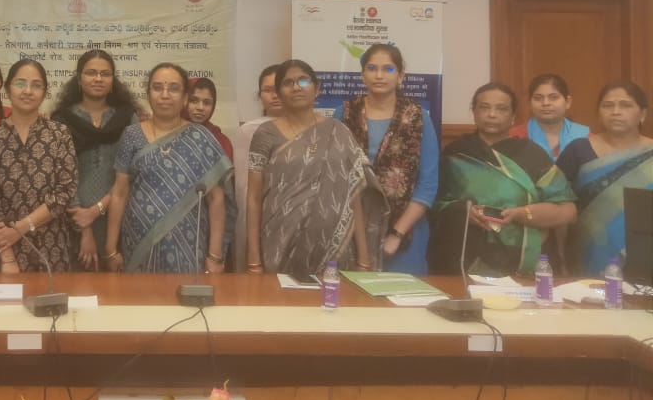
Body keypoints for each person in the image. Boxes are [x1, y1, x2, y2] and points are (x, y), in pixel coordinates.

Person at [246, 60, 384, 277]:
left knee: (332, 299)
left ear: (317, 89)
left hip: (335, 251)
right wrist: (254, 261)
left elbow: (354, 194)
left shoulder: (339, 132)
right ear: (279, 93)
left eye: (303, 80)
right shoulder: (265, 134)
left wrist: (363, 259)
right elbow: (253, 197)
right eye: (288, 83)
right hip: (278, 246)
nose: (296, 87)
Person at [431, 82, 577, 276]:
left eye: (501, 109)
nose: (492, 114)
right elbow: (435, 204)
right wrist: (463, 211)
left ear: (513, 116)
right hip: (464, 259)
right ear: (474, 112)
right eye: (484, 108)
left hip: (523, 263)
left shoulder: (532, 155)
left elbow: (568, 211)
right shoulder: (455, 154)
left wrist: (522, 214)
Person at [104, 63, 233, 274]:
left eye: (173, 88)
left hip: (188, 245)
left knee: (184, 295)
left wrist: (215, 256)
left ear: (185, 98)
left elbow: (216, 199)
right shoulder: (131, 135)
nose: (164, 95)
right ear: (148, 94)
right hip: (137, 243)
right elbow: (119, 192)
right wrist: (110, 250)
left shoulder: (201, 138)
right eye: (157, 88)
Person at [333, 44, 438, 275]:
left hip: (406, 231)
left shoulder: (418, 118)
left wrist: (397, 234)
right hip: (351, 228)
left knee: (401, 295)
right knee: (352, 294)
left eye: (388, 69)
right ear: (363, 75)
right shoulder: (345, 113)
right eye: (372, 68)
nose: (379, 75)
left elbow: (428, 184)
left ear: (400, 76)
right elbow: (335, 175)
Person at [0, 59, 77, 273]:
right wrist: (7, 257)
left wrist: (20, 228)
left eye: (36, 85)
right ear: (7, 89)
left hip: (50, 248)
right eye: (20, 83)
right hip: (1, 250)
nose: (28, 91)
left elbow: (65, 191)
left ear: (45, 92)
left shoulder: (59, 134)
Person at [52, 49, 138, 270]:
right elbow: (60, 175)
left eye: (105, 74)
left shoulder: (128, 119)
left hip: (119, 217)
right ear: (79, 79)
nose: (98, 79)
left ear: (113, 81)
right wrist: (85, 227)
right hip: (72, 221)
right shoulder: (61, 121)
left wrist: (96, 210)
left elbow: (132, 173)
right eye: (91, 73)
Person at [558, 81, 653, 276]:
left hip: (645, 259)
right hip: (585, 254)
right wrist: (559, 257)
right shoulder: (578, 150)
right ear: (599, 112)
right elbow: (557, 204)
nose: (616, 112)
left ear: (643, 114)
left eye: (625, 105)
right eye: (608, 105)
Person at [231, 64, 282, 272]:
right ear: (259, 95)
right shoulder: (248, 131)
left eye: (279, 88)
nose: (275, 95)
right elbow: (243, 189)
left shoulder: (309, 129)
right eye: (268, 90)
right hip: (255, 217)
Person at [509, 73, 589, 158]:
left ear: (568, 102)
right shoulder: (514, 137)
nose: (545, 103)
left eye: (553, 97)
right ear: (530, 103)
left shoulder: (585, 137)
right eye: (538, 98)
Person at [184, 77, 234, 161]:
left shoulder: (220, 141)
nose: (200, 107)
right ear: (184, 100)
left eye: (207, 103)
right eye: (193, 100)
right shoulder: (170, 135)